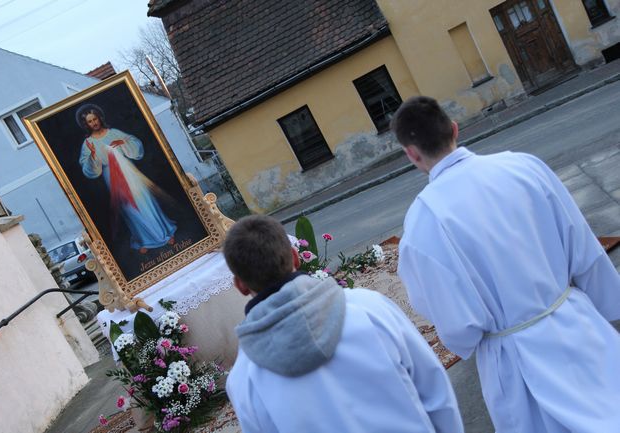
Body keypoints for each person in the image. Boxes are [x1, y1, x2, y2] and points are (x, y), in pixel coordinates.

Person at [393, 96, 620, 433]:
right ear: (455, 129)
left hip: (516, 359)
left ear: (412, 154)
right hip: (577, 323)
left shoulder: (422, 222)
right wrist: (607, 309)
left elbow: (456, 326)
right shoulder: (523, 167)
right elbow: (582, 245)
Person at [223, 215, 463, 433]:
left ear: (240, 285)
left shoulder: (244, 379)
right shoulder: (368, 308)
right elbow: (433, 388)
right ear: (295, 258)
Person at [77, 104, 177, 254]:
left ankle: (164, 233)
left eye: (95, 119)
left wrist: (123, 143)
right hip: (111, 176)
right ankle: (143, 240)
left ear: (99, 118)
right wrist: (92, 155)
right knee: (128, 208)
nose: (94, 123)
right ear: (86, 124)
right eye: (90, 121)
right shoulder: (88, 143)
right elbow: (87, 168)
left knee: (144, 201)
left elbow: (135, 145)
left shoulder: (113, 133)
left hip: (128, 171)